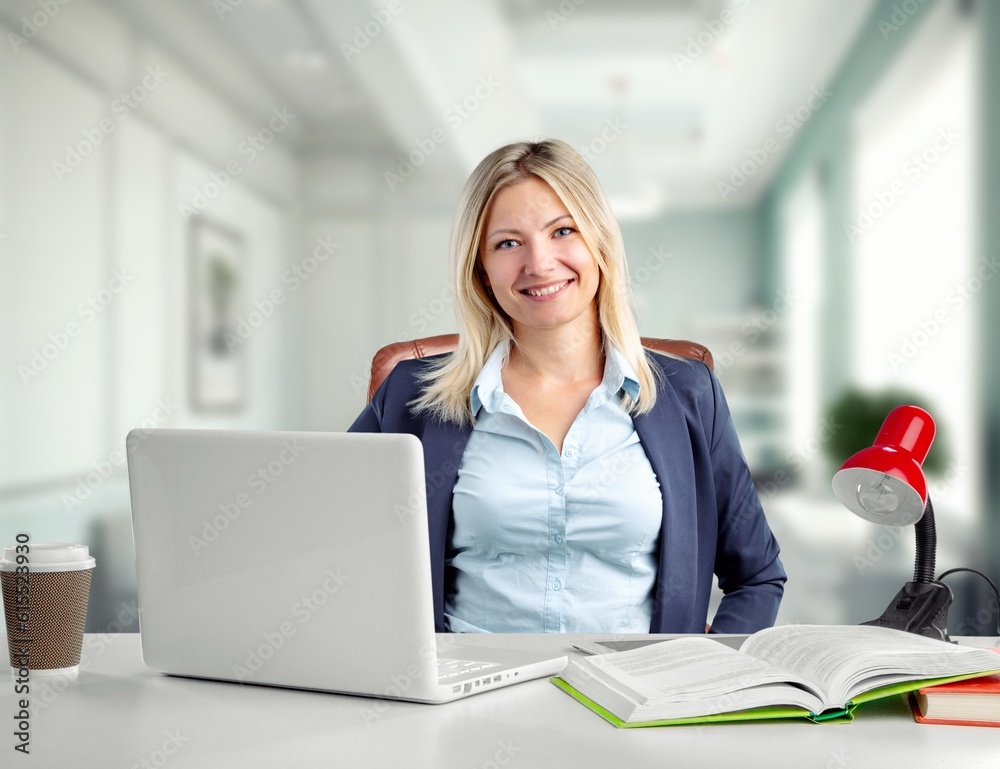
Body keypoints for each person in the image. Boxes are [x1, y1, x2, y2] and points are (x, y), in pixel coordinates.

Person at [350, 139, 785, 635]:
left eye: (562, 231)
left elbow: (756, 577)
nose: (540, 263)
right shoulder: (411, 397)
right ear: (481, 270)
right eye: (508, 243)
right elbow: (329, 546)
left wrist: (703, 675)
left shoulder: (689, 394)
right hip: (465, 693)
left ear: (599, 243)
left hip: (638, 699)